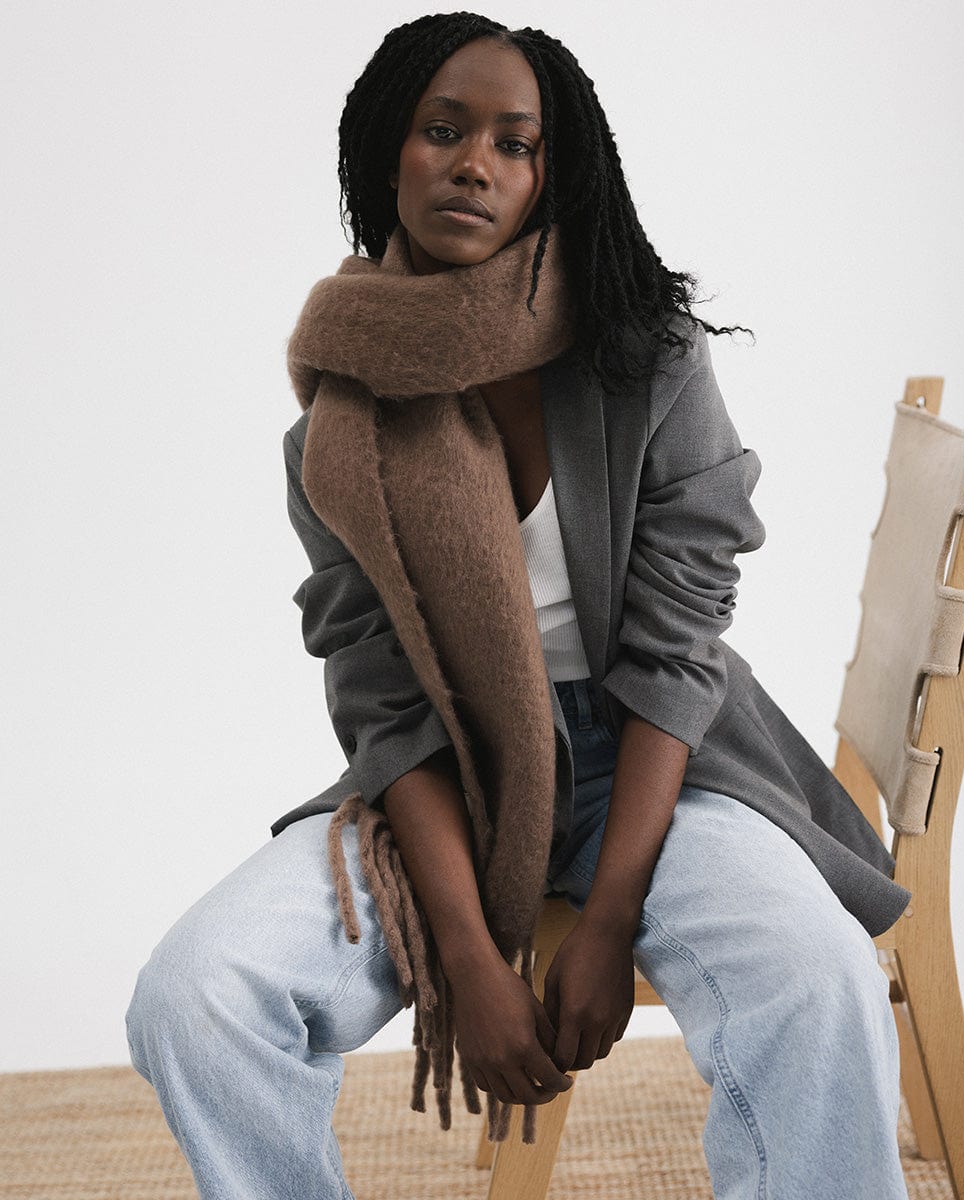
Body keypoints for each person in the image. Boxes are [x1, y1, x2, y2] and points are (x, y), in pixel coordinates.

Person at [126, 13, 912, 1199]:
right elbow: (386, 709)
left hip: (663, 760)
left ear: (556, 170)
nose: (475, 162)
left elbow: (678, 650)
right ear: (387, 151)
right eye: (443, 130)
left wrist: (605, 922)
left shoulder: (646, 355)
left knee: (817, 978)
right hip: (449, 778)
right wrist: (466, 953)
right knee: (193, 995)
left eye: (515, 141)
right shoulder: (334, 435)